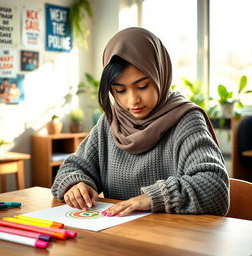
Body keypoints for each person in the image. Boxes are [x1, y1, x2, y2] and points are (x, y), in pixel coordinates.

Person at [51, 27, 229, 217]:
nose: (132, 100)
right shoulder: (111, 122)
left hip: (175, 238)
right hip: (121, 236)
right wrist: (75, 183)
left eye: (142, 86)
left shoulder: (186, 120)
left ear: (160, 74)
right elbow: (72, 167)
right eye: (120, 90)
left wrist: (155, 198)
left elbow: (214, 187)